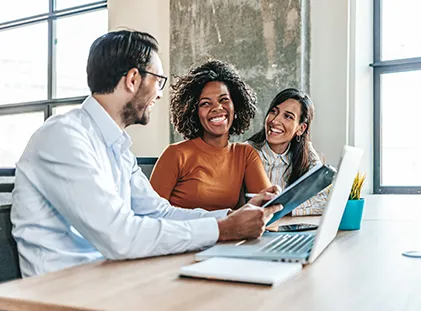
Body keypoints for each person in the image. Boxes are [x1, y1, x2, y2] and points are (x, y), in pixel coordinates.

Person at [11, 30, 281, 277]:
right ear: (132, 79)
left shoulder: (117, 146)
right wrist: (223, 230)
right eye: (158, 81)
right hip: (63, 291)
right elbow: (119, 236)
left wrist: (232, 216)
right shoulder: (63, 136)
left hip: (111, 278)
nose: (160, 95)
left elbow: (158, 212)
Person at [150, 60, 271, 211]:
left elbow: (268, 212)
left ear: (236, 105)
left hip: (229, 234)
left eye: (224, 100)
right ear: (194, 113)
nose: (217, 108)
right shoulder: (175, 154)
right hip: (184, 234)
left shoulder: (245, 155)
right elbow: (150, 215)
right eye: (206, 103)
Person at [248, 88, 330, 216]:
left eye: (287, 116)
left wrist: (281, 210)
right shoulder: (247, 152)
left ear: (301, 128)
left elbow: (324, 200)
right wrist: (291, 205)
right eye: (274, 111)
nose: (275, 121)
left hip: (286, 229)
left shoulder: (305, 154)